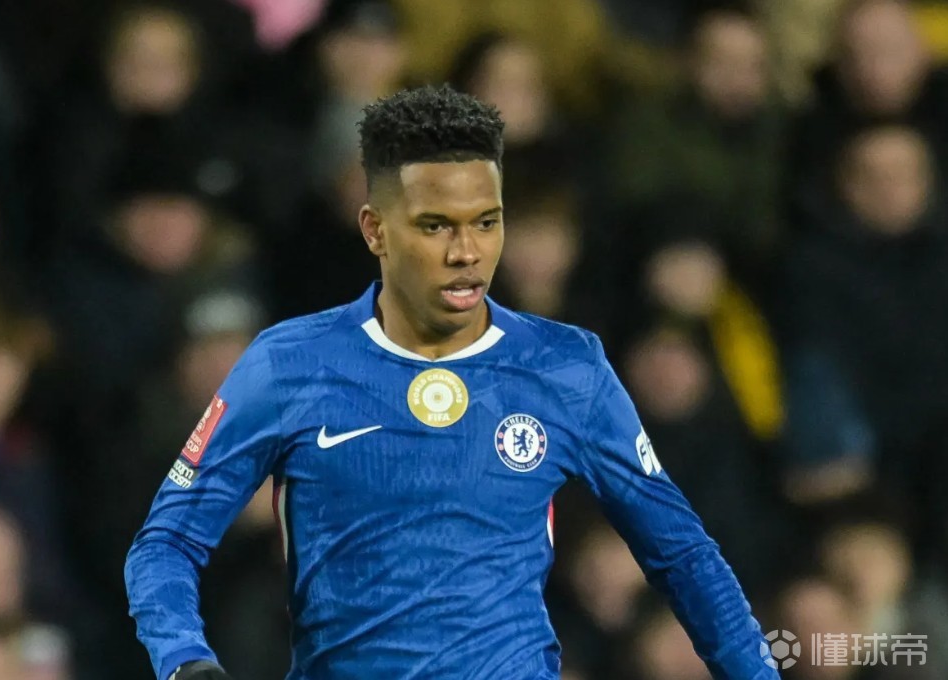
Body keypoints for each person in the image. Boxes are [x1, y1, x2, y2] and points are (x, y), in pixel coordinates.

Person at [125, 84, 777, 680]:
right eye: (435, 225)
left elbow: (683, 555)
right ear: (375, 230)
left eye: (486, 222)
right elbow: (167, 542)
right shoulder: (289, 363)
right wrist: (184, 659)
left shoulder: (564, 366)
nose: (466, 252)